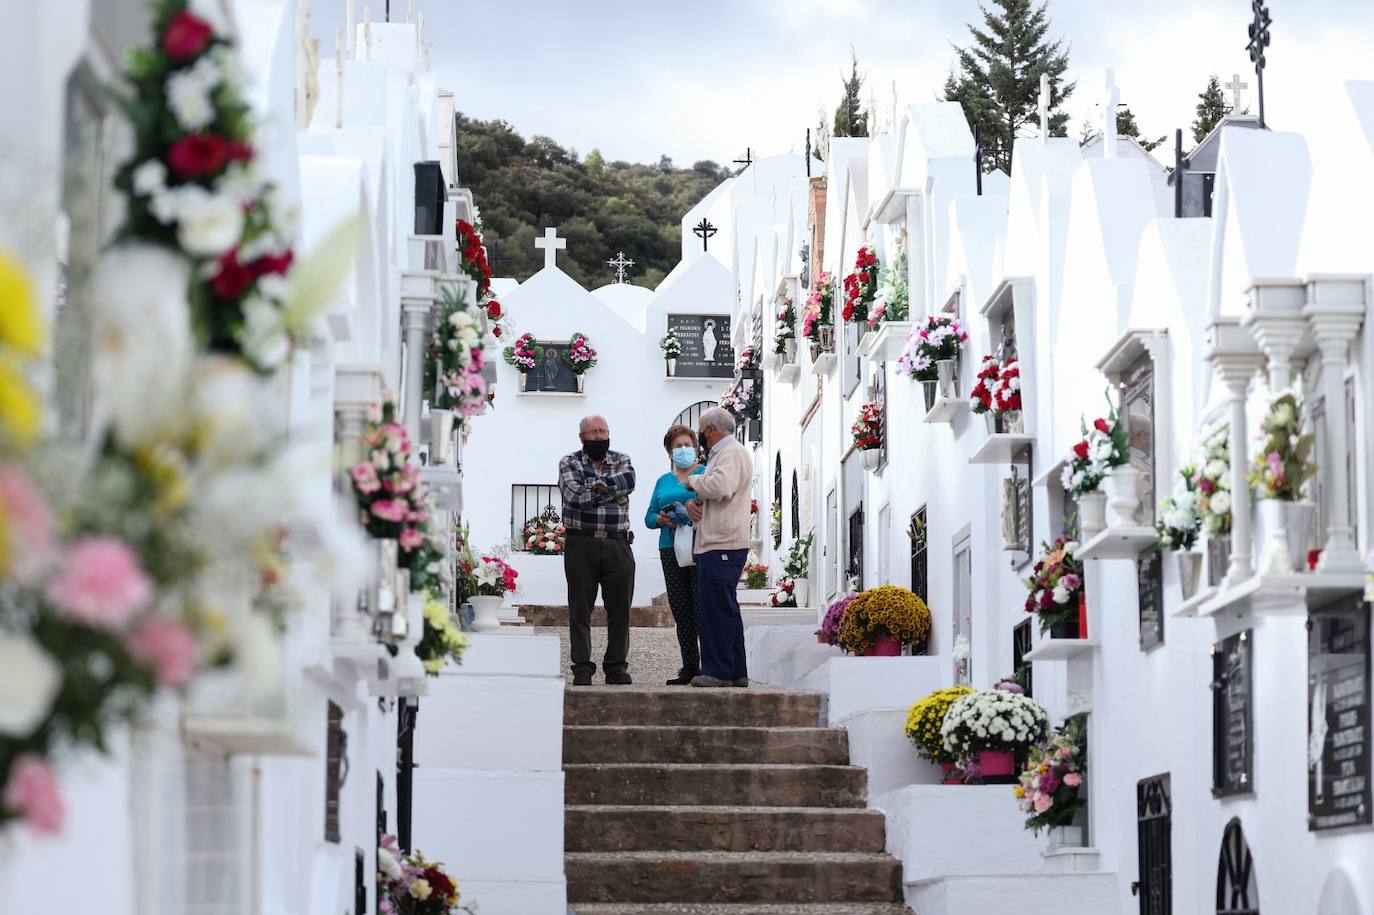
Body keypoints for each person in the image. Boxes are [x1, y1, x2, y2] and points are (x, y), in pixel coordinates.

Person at [558, 415, 636, 686]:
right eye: (593, 432)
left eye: (603, 430)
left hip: (618, 543)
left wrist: (596, 489)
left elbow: (629, 481)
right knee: (580, 609)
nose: (599, 436)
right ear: (582, 437)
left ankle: (616, 666)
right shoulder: (569, 462)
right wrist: (610, 491)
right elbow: (574, 495)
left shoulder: (621, 459)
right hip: (581, 543)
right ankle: (582, 667)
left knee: (620, 611)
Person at [683, 407, 753, 687]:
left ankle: (719, 671)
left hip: (722, 543)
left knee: (715, 611)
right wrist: (697, 501)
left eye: (702, 430)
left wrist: (694, 481)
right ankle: (736, 670)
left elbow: (721, 486)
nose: (701, 437)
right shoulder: (727, 454)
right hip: (720, 541)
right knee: (725, 608)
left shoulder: (731, 453)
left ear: (711, 430)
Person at [643, 424, 706, 685]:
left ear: (696, 448)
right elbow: (647, 517)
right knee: (681, 609)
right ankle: (689, 666)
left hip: (701, 546)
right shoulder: (663, 481)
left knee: (701, 607)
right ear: (669, 451)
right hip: (670, 548)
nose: (683, 450)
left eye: (687, 445)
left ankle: (711, 664)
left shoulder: (705, 473)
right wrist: (661, 518)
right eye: (678, 446)